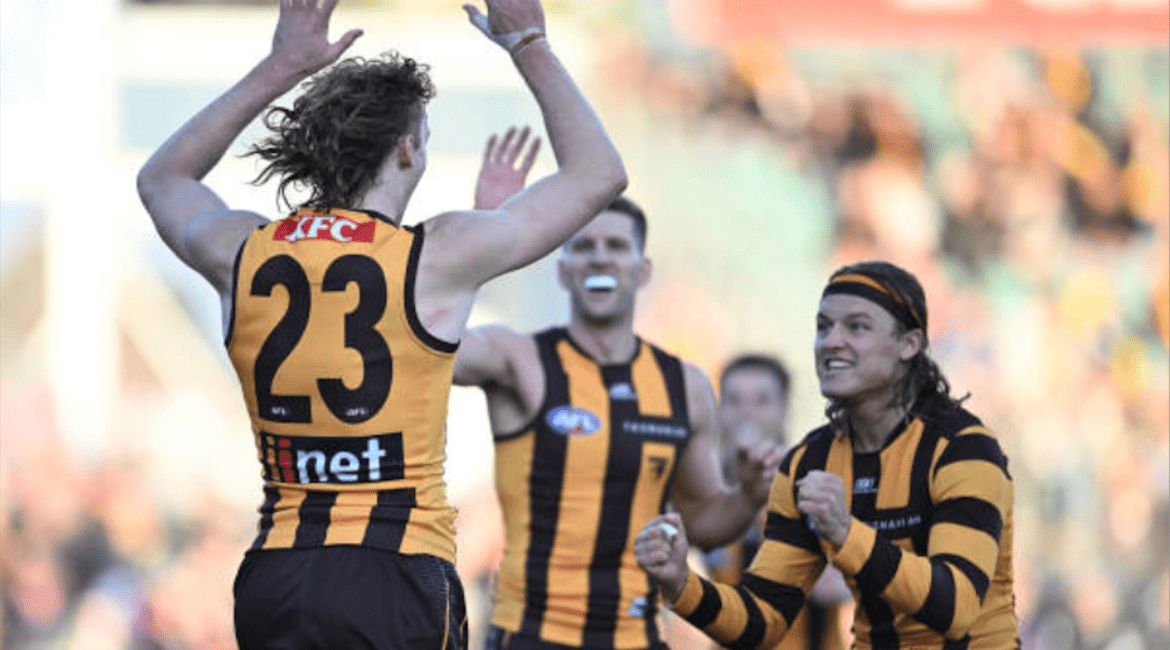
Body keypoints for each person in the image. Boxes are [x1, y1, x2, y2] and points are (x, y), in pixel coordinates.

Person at [135, 0, 628, 647]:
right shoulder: (436, 256)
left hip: (276, 574)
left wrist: (279, 67)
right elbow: (600, 173)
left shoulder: (241, 250)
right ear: (406, 149)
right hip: (392, 570)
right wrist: (529, 43)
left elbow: (162, 178)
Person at [452, 145, 783, 650]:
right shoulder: (519, 359)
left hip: (636, 637)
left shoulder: (685, 386)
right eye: (583, 247)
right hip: (530, 636)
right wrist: (481, 241)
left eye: (615, 246)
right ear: (563, 270)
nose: (600, 257)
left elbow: (706, 523)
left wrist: (751, 495)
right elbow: (432, 347)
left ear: (641, 269)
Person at [636, 261, 1019, 650]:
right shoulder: (810, 463)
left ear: (909, 344)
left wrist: (845, 533)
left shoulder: (964, 449)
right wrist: (680, 585)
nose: (831, 341)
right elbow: (761, 621)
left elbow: (955, 608)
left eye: (856, 326)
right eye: (823, 327)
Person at [706, 354, 850, 650]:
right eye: (734, 401)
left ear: (784, 409)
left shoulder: (814, 486)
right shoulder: (702, 492)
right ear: (718, 412)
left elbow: (841, 585)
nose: (746, 414)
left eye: (761, 401)